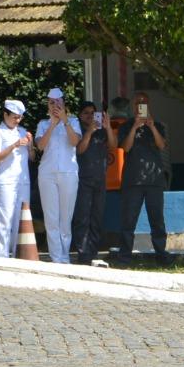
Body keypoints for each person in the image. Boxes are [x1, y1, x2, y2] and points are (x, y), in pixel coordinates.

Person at [113, 92, 170, 264]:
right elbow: (126, 148)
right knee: (128, 221)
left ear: (149, 104)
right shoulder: (126, 126)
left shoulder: (158, 125)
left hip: (154, 180)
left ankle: (161, 255)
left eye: (144, 102)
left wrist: (151, 126)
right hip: (132, 181)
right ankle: (124, 257)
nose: (141, 105)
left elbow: (161, 145)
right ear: (133, 106)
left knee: (157, 221)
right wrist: (135, 127)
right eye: (138, 102)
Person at [33, 87, 81, 264]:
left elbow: (75, 141)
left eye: (58, 103)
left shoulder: (73, 121)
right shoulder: (43, 124)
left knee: (66, 216)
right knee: (51, 216)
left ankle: (64, 255)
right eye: (52, 103)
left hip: (68, 173)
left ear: (64, 104)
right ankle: (55, 257)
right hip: (47, 173)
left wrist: (64, 121)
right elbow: (41, 146)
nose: (55, 106)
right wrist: (53, 124)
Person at [0, 99, 33, 259]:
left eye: (20, 117)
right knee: (4, 220)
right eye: (14, 117)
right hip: (5, 181)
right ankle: (1, 256)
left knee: (20, 221)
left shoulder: (22, 131)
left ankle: (17, 255)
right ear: (5, 114)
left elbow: (31, 158)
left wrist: (30, 145)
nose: (17, 120)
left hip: (22, 180)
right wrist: (14, 145)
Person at [71, 100, 110, 264]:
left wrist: (107, 127)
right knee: (82, 217)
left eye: (92, 113)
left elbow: (114, 145)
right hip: (83, 180)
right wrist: (89, 132)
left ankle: (92, 252)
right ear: (80, 115)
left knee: (97, 217)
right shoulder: (77, 130)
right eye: (86, 113)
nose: (89, 116)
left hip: (100, 180)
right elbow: (79, 149)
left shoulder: (102, 131)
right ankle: (83, 252)